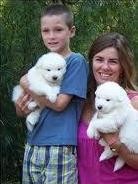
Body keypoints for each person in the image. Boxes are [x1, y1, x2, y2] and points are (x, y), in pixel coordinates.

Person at [15, 4, 88, 184]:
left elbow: (59, 103)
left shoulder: (75, 62)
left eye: (58, 30)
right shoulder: (43, 63)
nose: (51, 36)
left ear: (71, 31)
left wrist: (27, 84)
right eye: (45, 31)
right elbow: (21, 109)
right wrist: (21, 107)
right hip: (33, 142)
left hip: (59, 145)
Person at [77, 32, 138, 184]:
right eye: (99, 59)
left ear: (123, 67)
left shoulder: (133, 103)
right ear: (91, 62)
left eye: (113, 61)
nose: (105, 67)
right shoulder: (80, 101)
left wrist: (115, 144)